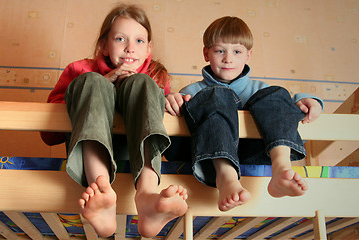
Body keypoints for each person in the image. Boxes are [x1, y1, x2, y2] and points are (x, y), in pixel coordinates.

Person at [40, 4, 188, 238]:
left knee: (143, 84)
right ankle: (101, 189)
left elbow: (161, 130)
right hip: (92, 156)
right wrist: (105, 82)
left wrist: (170, 102)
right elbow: (48, 135)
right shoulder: (78, 70)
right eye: (120, 39)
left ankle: (147, 196)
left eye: (139, 41)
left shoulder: (156, 78)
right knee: (91, 82)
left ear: (149, 48)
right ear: (104, 45)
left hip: (135, 156)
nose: (130, 48)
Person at [165, 16, 323, 212]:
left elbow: (283, 108)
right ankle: (226, 177)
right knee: (216, 94)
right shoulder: (193, 91)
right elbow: (171, 121)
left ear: (248, 55)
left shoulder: (261, 90)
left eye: (237, 51)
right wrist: (171, 101)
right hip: (205, 155)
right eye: (219, 51)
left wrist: (305, 100)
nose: (228, 58)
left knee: (277, 93)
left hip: (253, 152)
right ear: (206, 53)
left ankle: (281, 169)